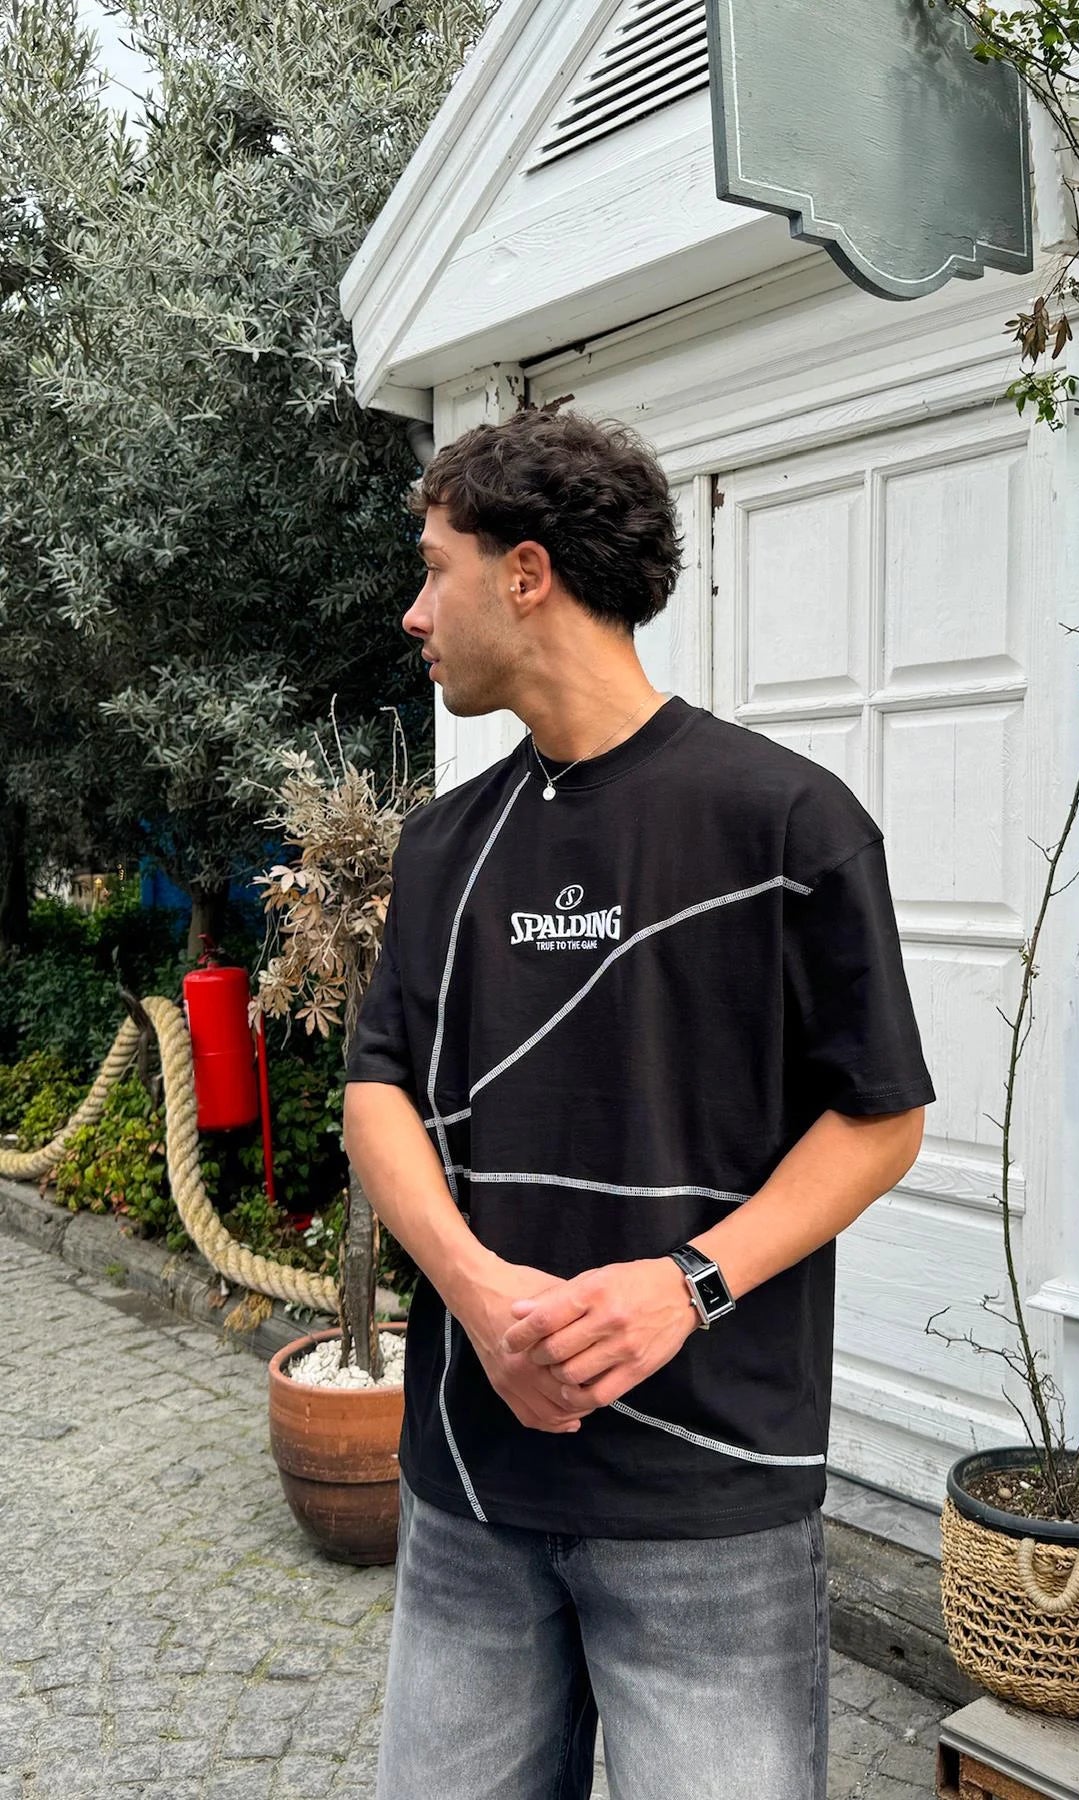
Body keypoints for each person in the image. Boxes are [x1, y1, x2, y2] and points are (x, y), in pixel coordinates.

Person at [343, 406, 935, 1800]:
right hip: (470, 1489)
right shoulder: (442, 847)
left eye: (434, 569)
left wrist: (688, 1285)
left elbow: (881, 1116)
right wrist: (475, 1292)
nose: (415, 613)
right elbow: (377, 1090)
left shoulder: (787, 823)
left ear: (526, 574)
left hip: (711, 1501)